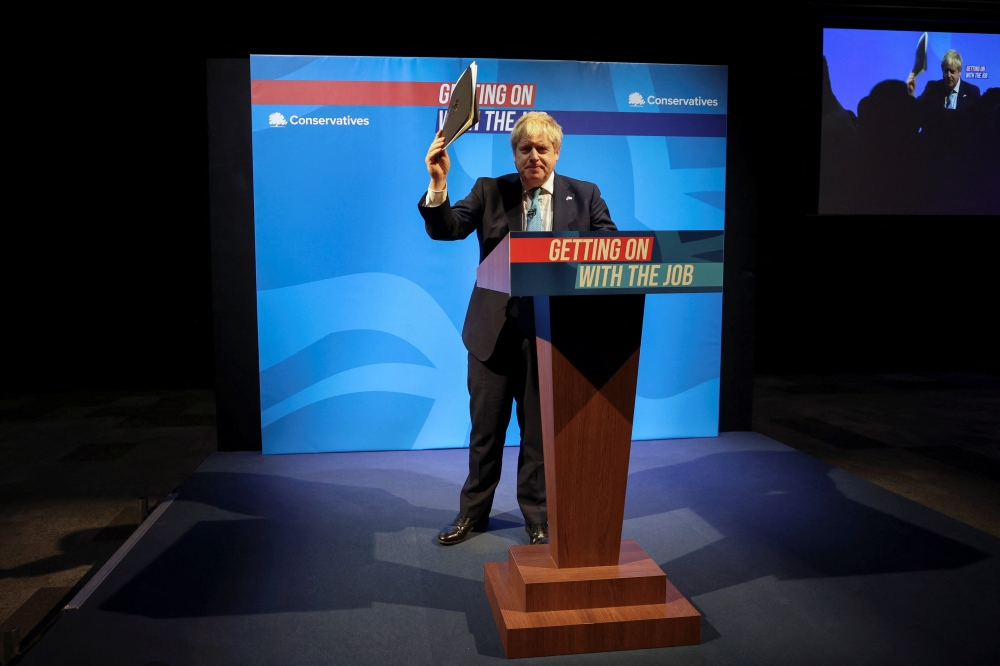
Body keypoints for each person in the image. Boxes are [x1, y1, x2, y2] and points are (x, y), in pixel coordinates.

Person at [418, 112, 617, 546]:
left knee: (538, 434)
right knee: (485, 432)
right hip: (493, 334)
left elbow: (610, 253)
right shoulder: (490, 191)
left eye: (542, 149)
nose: (533, 157)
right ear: (514, 153)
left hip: (551, 337)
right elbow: (447, 229)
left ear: (556, 153)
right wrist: (438, 185)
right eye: (524, 149)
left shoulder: (585, 196)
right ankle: (473, 514)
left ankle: (537, 517)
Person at [908, 49, 981, 111]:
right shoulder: (932, 88)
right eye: (946, 71)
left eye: (952, 72)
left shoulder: (972, 92)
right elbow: (917, 111)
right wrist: (911, 92)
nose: (948, 75)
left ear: (960, 72)